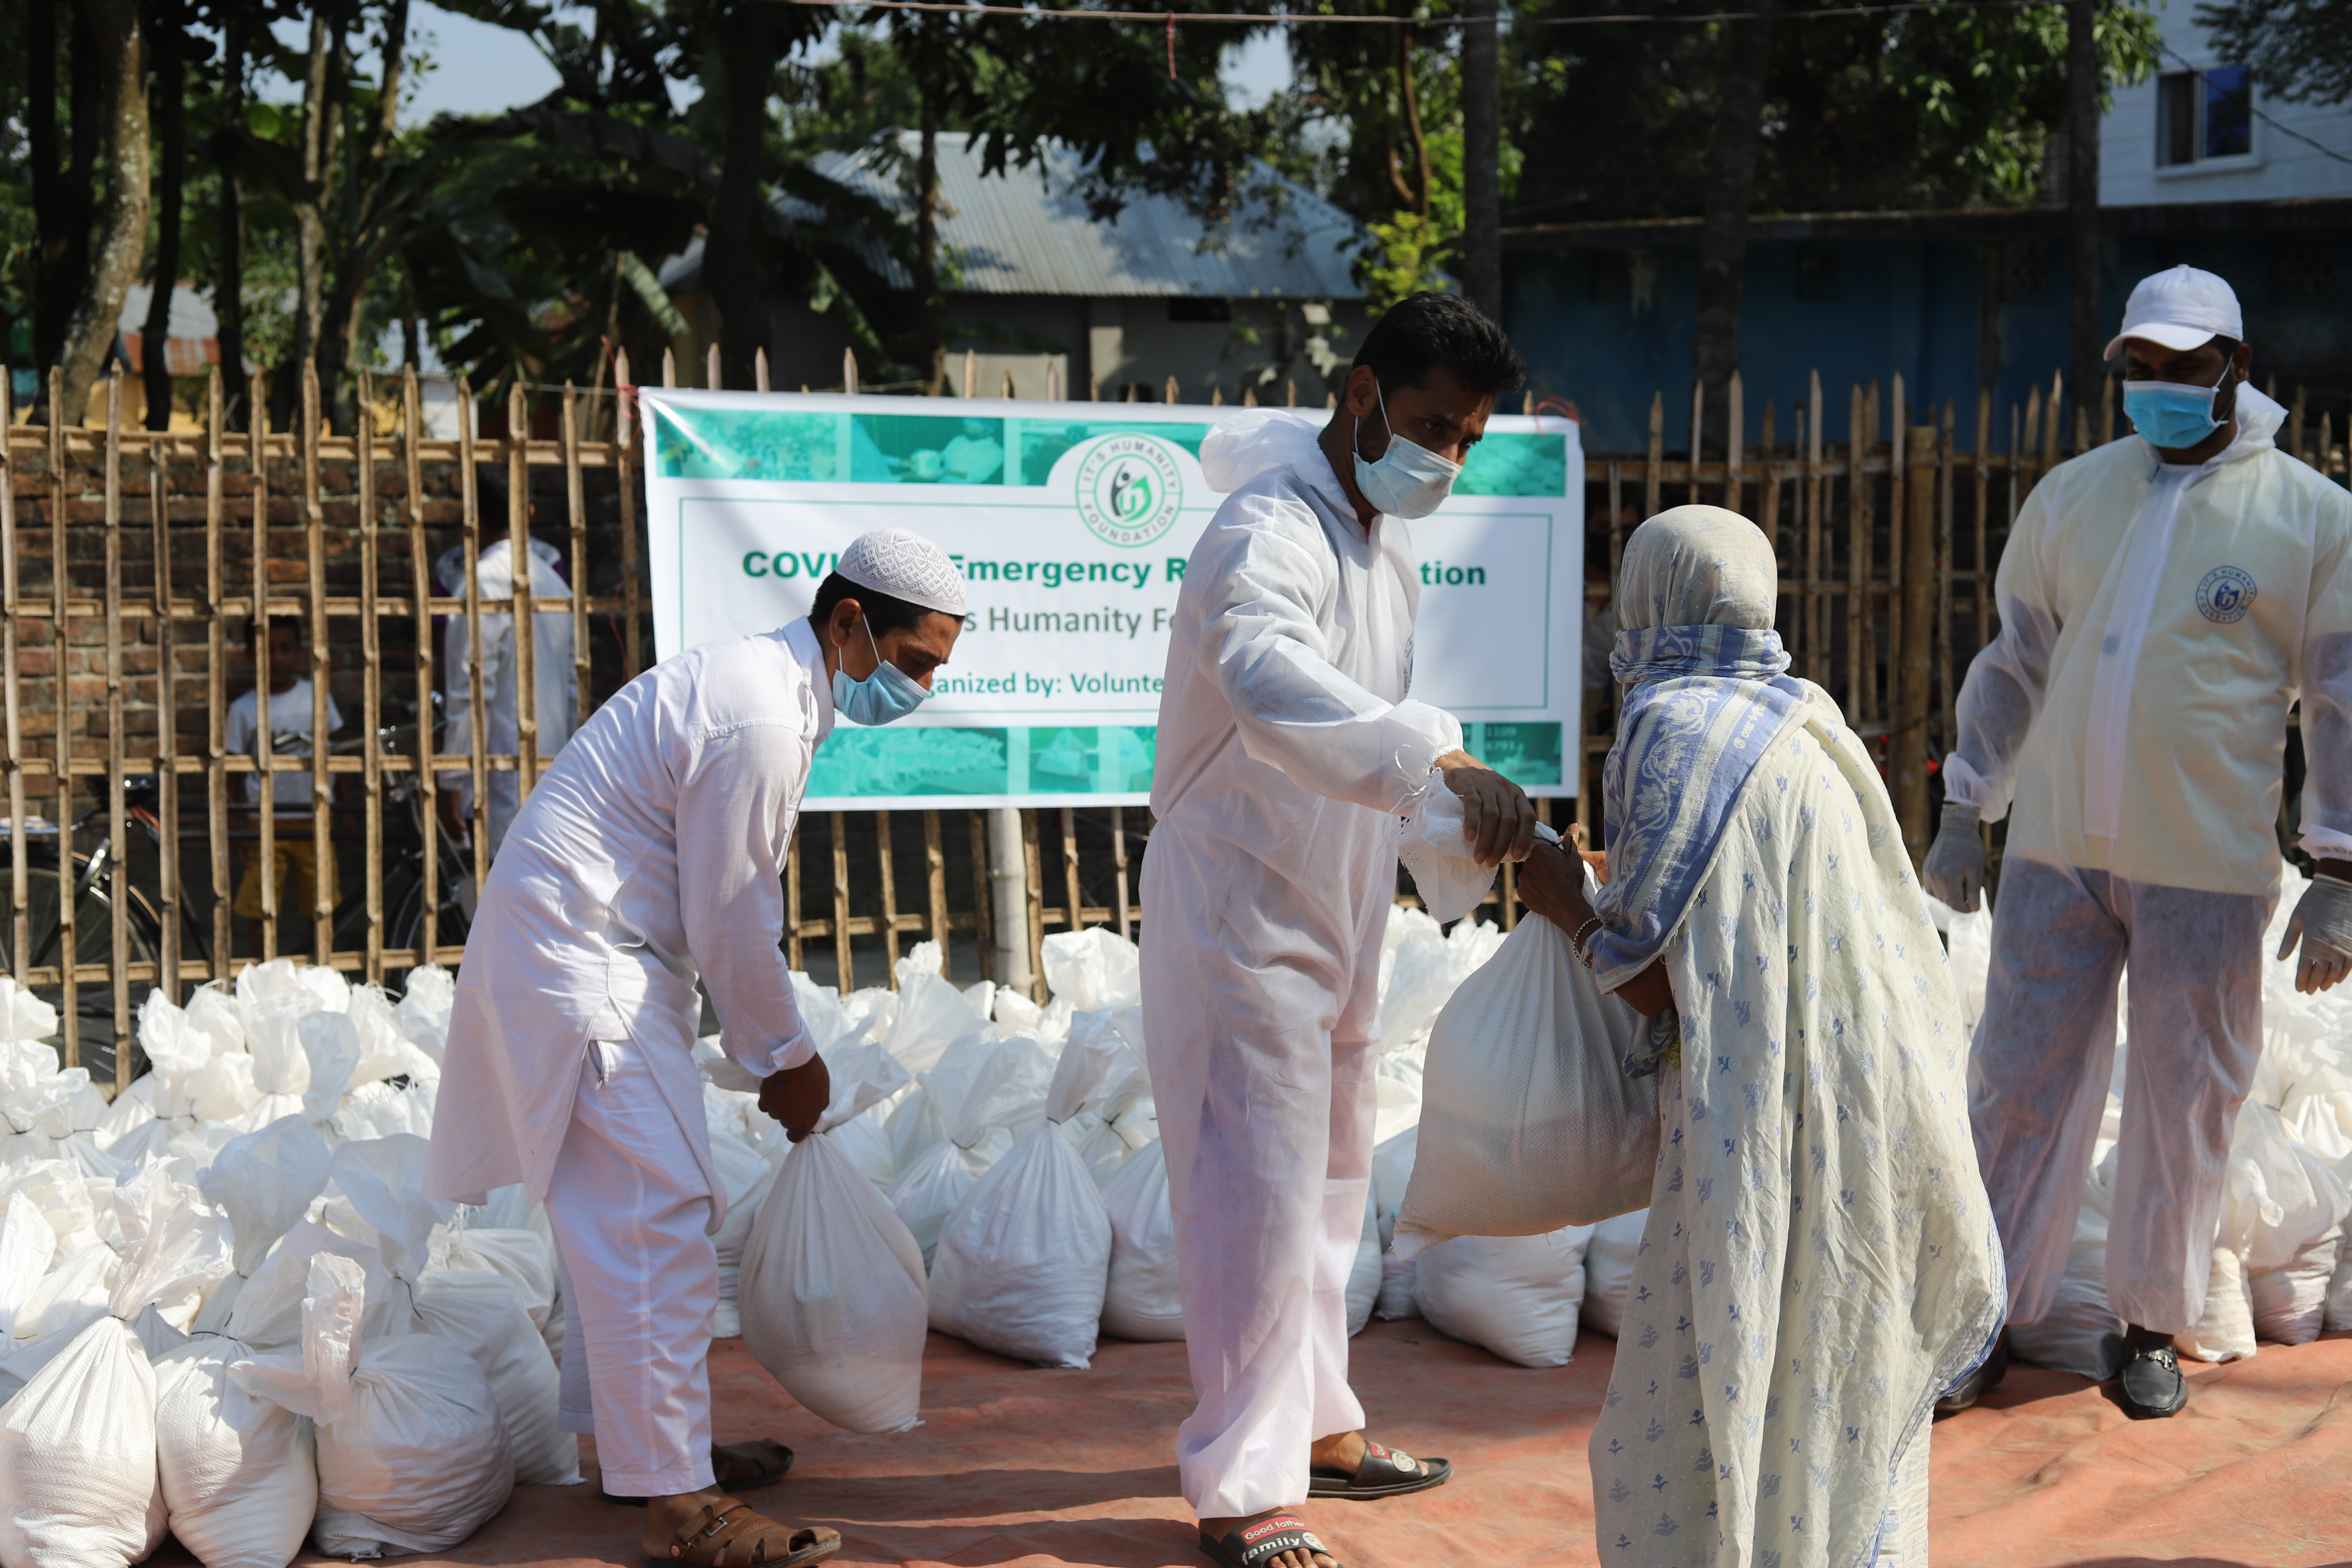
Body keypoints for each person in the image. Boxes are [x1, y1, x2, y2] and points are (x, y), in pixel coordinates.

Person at [423, 529, 968, 1568]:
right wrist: (787, 1060)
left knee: (621, 1222)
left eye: (940, 667)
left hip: (594, 955)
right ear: (849, 622)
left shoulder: (769, 687)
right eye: (914, 662)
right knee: (655, 1220)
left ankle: (636, 1452)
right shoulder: (763, 713)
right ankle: (679, 1502)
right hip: (582, 963)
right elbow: (731, 915)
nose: (925, 685)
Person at [1515, 505, 2003, 1568]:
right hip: (1876, 1114)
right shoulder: (1802, 721)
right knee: (1843, 1385)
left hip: (1765, 1129)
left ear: (1651, 599)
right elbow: (1748, 928)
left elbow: (1663, 986)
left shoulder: (1669, 733)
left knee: (1723, 1390)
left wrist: (1560, 896)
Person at [1141, 291, 1538, 1568]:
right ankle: (1245, 1492)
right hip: (1239, 910)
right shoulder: (1266, 533)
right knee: (1253, 1196)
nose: (1449, 460)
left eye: (1470, 439)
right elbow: (1265, 677)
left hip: (1337, 900)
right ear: (1362, 395)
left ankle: (1317, 1427)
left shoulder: (1384, 543)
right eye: (1432, 425)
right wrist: (1439, 753)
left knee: (1325, 1186)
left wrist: (1454, 821)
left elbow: (1381, 734)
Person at [1925, 266, 2352, 1419]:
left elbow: (2339, 697)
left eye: (2183, 369)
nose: (2158, 389)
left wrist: (2339, 864)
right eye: (2141, 371)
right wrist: (1970, 804)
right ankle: (1981, 1323)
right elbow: (2014, 659)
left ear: (2236, 367)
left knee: (2185, 1097)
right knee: (2015, 1084)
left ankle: (2148, 1325)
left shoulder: (2309, 516)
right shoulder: (2073, 494)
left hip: (2204, 865)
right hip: (2059, 849)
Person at [436, 532, 580, 859]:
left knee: (494, 890)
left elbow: (470, 693)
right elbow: (573, 690)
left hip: (499, 779)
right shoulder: (553, 584)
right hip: (553, 774)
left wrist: (452, 779)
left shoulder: (484, 581)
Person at [225, 615, 340, 959]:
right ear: (249, 654)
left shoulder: (315, 696)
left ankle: (321, 970)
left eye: (285, 648)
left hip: (314, 816)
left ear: (299, 652)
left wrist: (343, 808)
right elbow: (231, 775)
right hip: (264, 821)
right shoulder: (243, 710)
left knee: (319, 905)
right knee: (262, 908)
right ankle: (261, 971)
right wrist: (235, 828)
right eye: (266, 650)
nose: (276, 658)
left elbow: (337, 755)